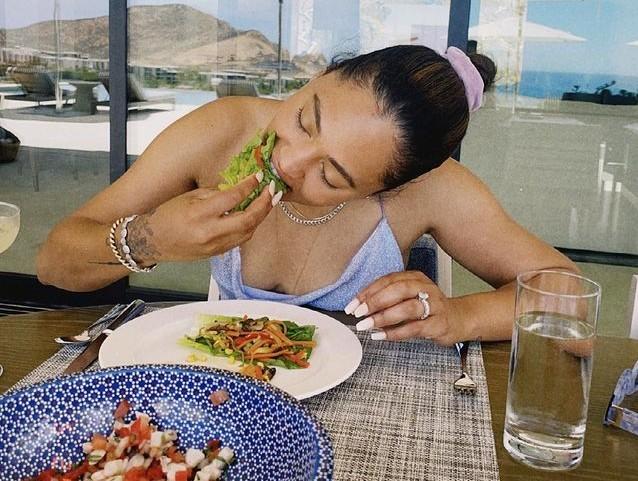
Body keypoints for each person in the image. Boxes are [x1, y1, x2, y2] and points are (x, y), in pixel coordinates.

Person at [37, 45, 576, 346]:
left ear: (391, 187)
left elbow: (572, 302)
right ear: (321, 75)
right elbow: (54, 263)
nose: (287, 162)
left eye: (332, 176)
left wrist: (458, 317)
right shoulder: (221, 131)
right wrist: (150, 238)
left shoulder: (432, 189)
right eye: (304, 118)